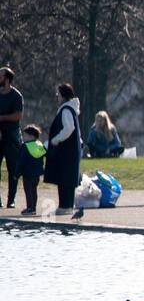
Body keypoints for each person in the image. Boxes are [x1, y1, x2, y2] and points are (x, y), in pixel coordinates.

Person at [45, 83, 82, 214]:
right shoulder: (71, 109)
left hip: (66, 150)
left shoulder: (66, 109)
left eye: (58, 94)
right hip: (71, 150)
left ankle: (65, 207)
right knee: (68, 178)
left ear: (63, 95)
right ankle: (67, 206)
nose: (57, 97)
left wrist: (56, 139)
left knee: (64, 178)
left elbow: (69, 128)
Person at [0, 67, 24, 208]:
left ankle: (11, 199)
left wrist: (1, 118)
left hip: (11, 137)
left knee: (12, 169)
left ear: (6, 79)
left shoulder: (16, 96)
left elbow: (18, 115)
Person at [17, 124, 44, 214]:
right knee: (34, 190)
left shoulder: (25, 146)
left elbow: (21, 161)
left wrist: (17, 173)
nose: (24, 137)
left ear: (31, 136)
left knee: (28, 191)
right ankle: (34, 208)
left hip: (27, 174)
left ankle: (30, 208)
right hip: (37, 174)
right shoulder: (39, 144)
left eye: (25, 135)